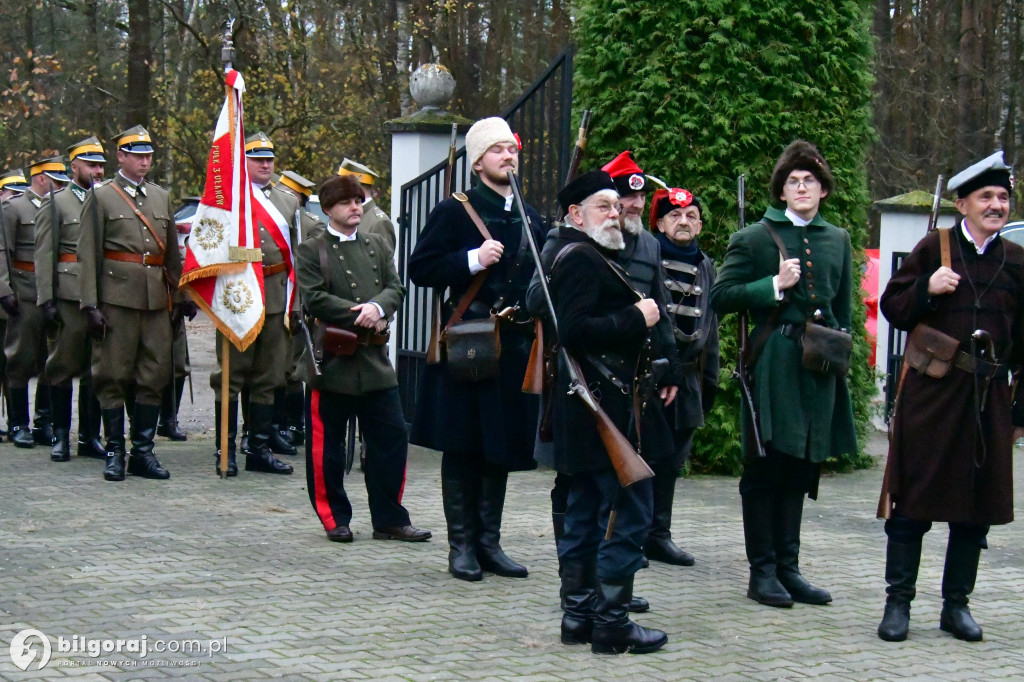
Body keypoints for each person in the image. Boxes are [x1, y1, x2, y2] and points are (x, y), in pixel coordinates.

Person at [876, 151, 1023, 643]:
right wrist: (927, 288)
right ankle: (898, 604)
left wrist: (1019, 410)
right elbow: (893, 307)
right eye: (986, 197)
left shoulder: (1018, 260)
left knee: (976, 509)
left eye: (1003, 197)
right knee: (912, 502)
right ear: (963, 204)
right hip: (932, 396)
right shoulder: (933, 248)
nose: (996, 205)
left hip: (989, 401)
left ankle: (956, 606)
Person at [709, 139, 857, 608]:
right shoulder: (755, 238)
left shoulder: (838, 239)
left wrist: (841, 347)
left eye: (810, 180)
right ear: (781, 190)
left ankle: (789, 569)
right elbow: (720, 296)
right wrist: (773, 284)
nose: (802, 188)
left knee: (801, 465)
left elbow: (844, 309)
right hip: (774, 361)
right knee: (766, 465)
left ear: (823, 189)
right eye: (793, 181)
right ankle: (763, 572)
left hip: (820, 363)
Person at [409, 116, 544, 581]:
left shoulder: (530, 214)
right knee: (463, 444)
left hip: (514, 344)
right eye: (498, 150)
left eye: (512, 149)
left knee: (498, 445)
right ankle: (461, 545)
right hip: (470, 341)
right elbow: (421, 268)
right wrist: (472, 260)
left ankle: (489, 542)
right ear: (478, 161)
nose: (508, 157)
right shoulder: (454, 210)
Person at [540, 169, 666, 654]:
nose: (615, 214)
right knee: (626, 513)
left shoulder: (591, 255)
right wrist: (636, 316)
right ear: (576, 214)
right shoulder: (580, 258)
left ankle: (579, 617)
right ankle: (611, 624)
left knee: (585, 511)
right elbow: (573, 331)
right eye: (603, 206)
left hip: (594, 408)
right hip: (600, 408)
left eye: (616, 206)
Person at [296, 174, 430, 544]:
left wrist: (378, 307)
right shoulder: (312, 249)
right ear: (328, 209)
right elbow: (314, 298)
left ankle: (389, 519)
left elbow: (395, 287)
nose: (355, 207)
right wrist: (361, 313)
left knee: (391, 440)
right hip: (332, 361)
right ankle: (334, 518)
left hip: (374, 360)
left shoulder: (376, 243)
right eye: (346, 202)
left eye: (358, 200)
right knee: (327, 448)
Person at [603, 151, 697, 568]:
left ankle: (630, 548)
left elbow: (660, 308)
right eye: (627, 197)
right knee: (596, 471)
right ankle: (598, 556)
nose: (636, 205)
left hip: (639, 373)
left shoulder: (648, 244)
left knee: (645, 462)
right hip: (595, 370)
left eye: (641, 198)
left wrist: (671, 366)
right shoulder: (585, 238)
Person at [77, 125, 187, 481]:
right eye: (137, 155)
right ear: (120, 157)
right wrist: (90, 305)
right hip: (116, 301)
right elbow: (88, 253)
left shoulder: (161, 197)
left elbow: (172, 255)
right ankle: (114, 451)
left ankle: (143, 452)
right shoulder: (102, 196)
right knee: (113, 374)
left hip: (155, 301)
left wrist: (181, 295)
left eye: (148, 156)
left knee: (153, 373)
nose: (144, 162)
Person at [208, 132, 298, 476]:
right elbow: (210, 246)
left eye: (269, 159)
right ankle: (225, 449)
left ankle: (258, 449)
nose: (265, 165)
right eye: (257, 159)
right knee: (231, 376)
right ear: (242, 162)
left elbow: (296, 257)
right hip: (238, 297)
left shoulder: (287, 201)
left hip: (276, 295)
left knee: (269, 376)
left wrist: (297, 303)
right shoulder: (226, 198)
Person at [649, 186, 720, 525]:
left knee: (673, 460)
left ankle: (659, 534)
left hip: (689, 379)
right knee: (647, 457)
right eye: (674, 215)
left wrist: (710, 382)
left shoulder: (707, 266)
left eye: (691, 216)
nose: (683, 221)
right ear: (660, 224)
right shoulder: (647, 259)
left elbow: (711, 330)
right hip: (651, 376)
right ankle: (635, 534)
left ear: (700, 226)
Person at [34, 137, 107, 461]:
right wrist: (47, 300)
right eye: (91, 165)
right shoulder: (57, 202)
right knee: (62, 367)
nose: (98, 170)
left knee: (96, 369)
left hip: (101, 297)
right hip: (69, 296)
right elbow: (44, 254)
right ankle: (61, 437)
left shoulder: (107, 199)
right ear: (73, 166)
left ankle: (90, 437)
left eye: (101, 165)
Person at [0, 155, 69, 449]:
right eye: (57, 181)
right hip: (25, 291)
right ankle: (18, 424)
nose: (61, 186)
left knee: (49, 359)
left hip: (52, 291)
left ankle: (44, 422)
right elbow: (2, 250)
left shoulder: (58, 206)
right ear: (42, 178)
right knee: (20, 358)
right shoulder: (14, 207)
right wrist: (4, 289)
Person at [274, 169, 325, 449]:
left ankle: (293, 425)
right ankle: (272, 425)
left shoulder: (311, 225)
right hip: (272, 299)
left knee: (291, 367)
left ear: (299, 199)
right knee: (272, 367)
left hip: (296, 303)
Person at [338, 158, 396, 251]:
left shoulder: (379, 222)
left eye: (343, 186)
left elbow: (384, 258)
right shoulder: (345, 214)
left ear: (355, 186)